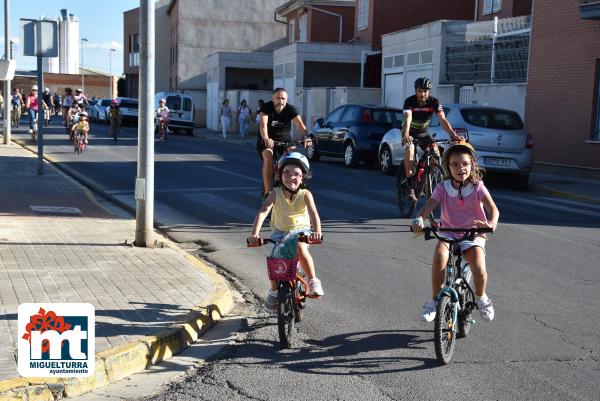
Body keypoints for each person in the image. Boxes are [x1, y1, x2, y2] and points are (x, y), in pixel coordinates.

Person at [411, 141, 499, 323]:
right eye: (455, 164)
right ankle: (435, 300)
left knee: (479, 268)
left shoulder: (477, 187)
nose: (461, 168)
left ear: (472, 164)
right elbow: (429, 206)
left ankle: (482, 297)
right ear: (447, 167)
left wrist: (490, 223)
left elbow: (493, 209)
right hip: (448, 232)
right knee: (440, 257)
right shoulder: (442, 188)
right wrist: (419, 219)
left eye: (465, 163)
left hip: (472, 234)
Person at [247, 152, 324, 309]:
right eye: (287, 173)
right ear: (279, 176)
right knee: (274, 260)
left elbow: (313, 213)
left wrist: (317, 231)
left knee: (301, 247)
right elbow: (263, 212)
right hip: (280, 232)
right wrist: (254, 234)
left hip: (301, 231)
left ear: (303, 177)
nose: (291, 177)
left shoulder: (305, 194)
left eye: (296, 174)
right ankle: (274, 290)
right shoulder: (275, 193)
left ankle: (313, 280)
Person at [402, 77, 463, 201]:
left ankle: (426, 181)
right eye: (420, 91)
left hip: (424, 133)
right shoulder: (409, 101)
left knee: (435, 153)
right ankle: (409, 185)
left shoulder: (434, 102)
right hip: (410, 132)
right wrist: (406, 134)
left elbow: (442, 120)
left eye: (425, 91)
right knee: (410, 150)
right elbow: (407, 119)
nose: (423, 94)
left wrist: (452, 134)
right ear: (415, 91)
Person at [257, 88, 310, 202]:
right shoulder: (266, 107)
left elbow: (300, 124)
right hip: (267, 139)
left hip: (285, 139)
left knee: (293, 156)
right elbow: (263, 125)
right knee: (268, 156)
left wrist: (307, 137)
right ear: (272, 99)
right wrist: (266, 138)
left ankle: (296, 187)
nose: (280, 101)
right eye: (278, 98)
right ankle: (267, 192)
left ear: (286, 100)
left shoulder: (291, 109)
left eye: (283, 98)